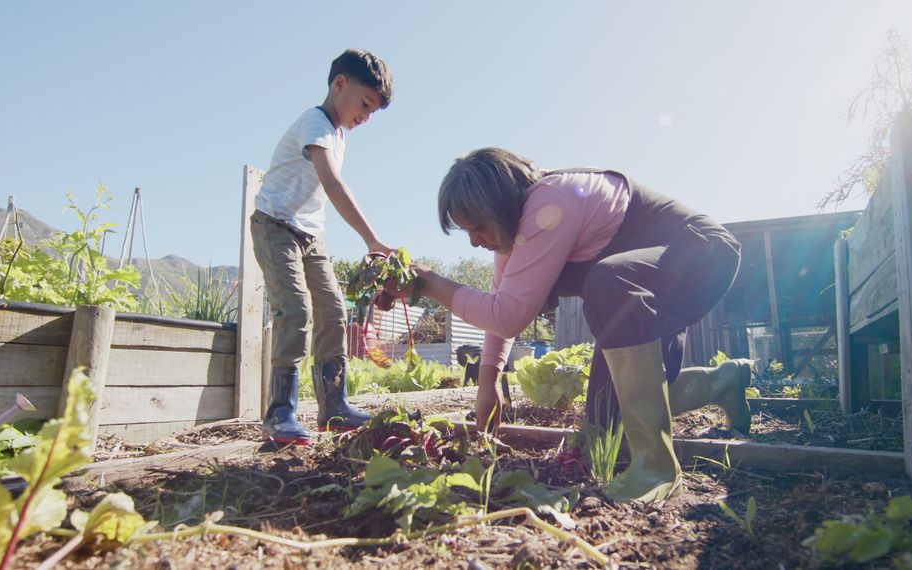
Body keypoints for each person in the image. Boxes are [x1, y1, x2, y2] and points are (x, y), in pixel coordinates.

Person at [391, 147, 750, 502]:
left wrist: (430, 283)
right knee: (606, 418)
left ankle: (657, 469)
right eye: (467, 231)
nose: (473, 241)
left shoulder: (553, 201)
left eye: (478, 226)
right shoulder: (514, 241)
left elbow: (509, 314)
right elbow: (504, 308)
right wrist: (487, 382)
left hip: (702, 257)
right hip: (646, 288)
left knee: (607, 281)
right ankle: (722, 382)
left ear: (499, 205)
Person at [250, 49, 394, 445]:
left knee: (332, 311)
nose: (366, 116)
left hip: (310, 235)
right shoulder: (315, 123)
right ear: (339, 84)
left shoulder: (339, 135)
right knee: (295, 310)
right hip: (275, 225)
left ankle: (334, 406)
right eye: (364, 104)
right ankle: (280, 412)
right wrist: (373, 240)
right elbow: (332, 185)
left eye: (373, 112)